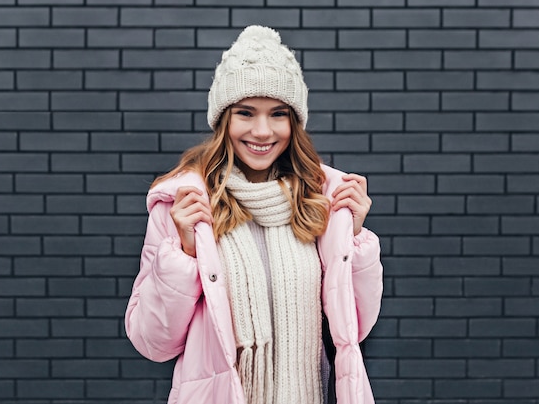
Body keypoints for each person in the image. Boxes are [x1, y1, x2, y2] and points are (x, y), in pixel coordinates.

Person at [125, 25, 383, 404]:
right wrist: (183, 254)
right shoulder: (185, 207)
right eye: (246, 113)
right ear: (224, 120)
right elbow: (153, 341)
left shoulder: (321, 202)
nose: (262, 131)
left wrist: (354, 238)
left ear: (293, 123)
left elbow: (354, 330)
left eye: (278, 114)